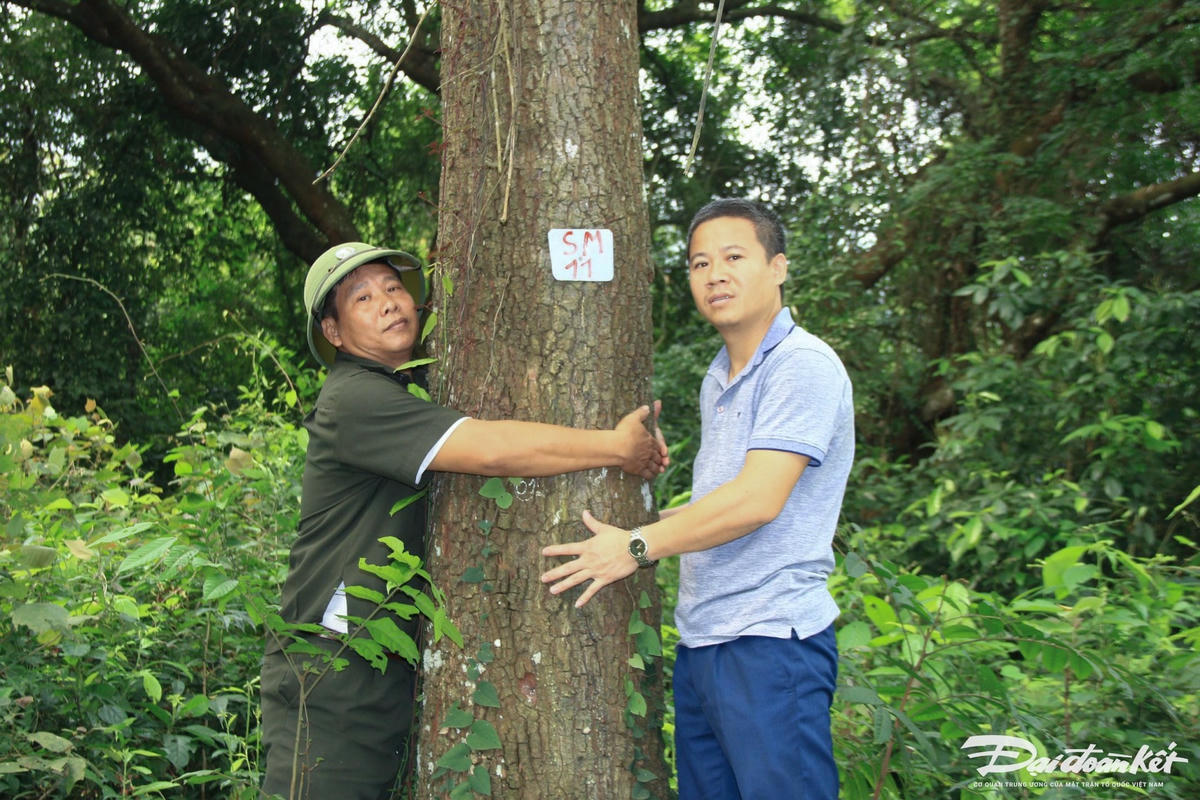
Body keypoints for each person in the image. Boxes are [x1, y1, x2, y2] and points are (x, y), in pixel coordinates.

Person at [260, 241, 667, 800]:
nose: (388, 302)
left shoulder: (402, 390)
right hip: (331, 677)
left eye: (394, 287)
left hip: (377, 671)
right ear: (333, 332)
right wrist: (616, 447)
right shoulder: (355, 400)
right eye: (363, 296)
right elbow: (493, 449)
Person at [540, 199, 853, 799]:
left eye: (734, 257)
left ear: (778, 267)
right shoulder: (719, 377)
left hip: (770, 641)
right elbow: (724, 501)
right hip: (705, 643)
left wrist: (635, 546)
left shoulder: (800, 365)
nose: (715, 274)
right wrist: (639, 521)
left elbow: (758, 501)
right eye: (699, 263)